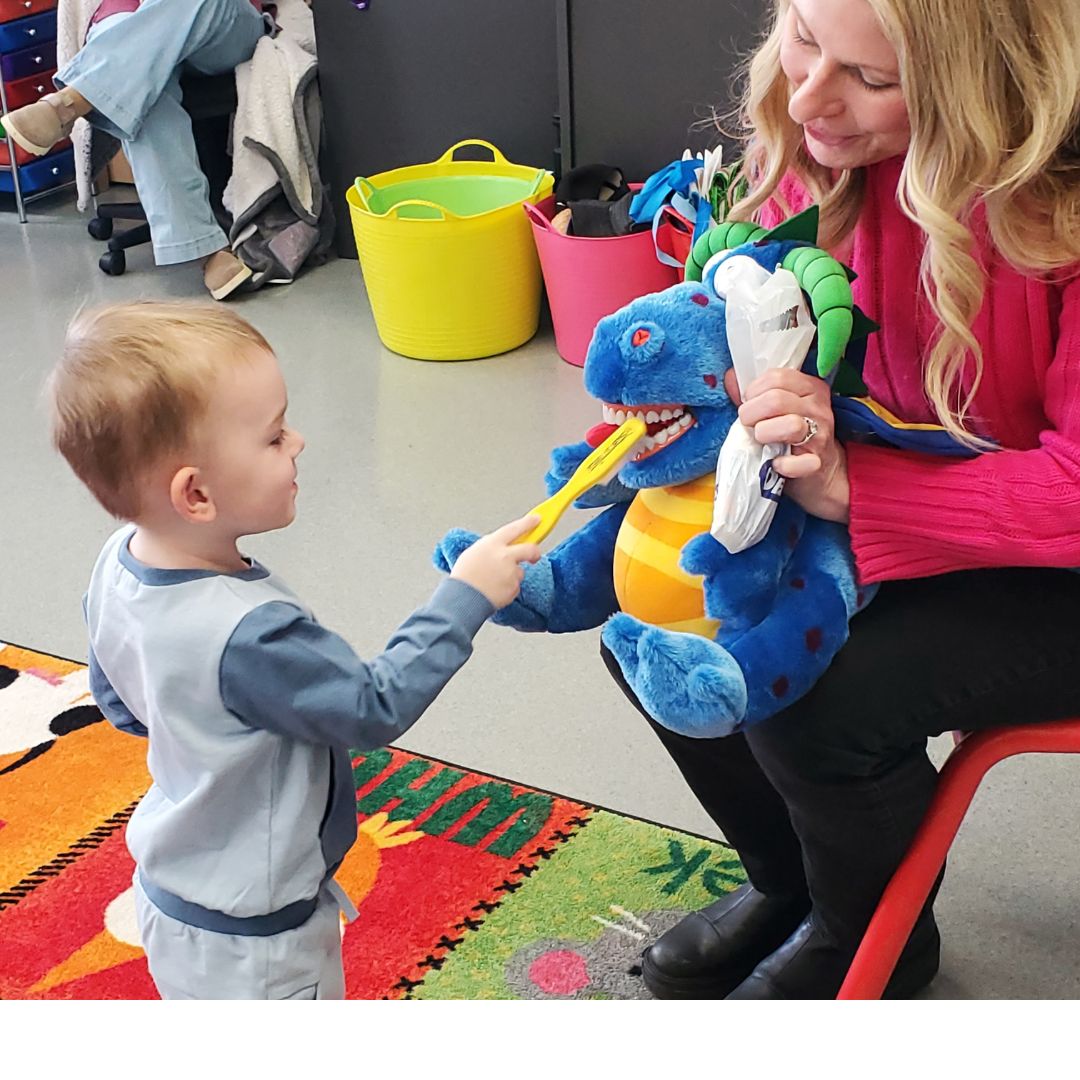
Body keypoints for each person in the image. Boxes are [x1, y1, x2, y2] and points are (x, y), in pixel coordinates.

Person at [608, 0, 1080, 999]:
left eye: (875, 78)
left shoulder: (1061, 210)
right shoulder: (817, 148)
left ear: (988, 87)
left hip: (1057, 557)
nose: (810, 95)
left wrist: (853, 489)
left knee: (818, 701)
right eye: (807, 40)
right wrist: (714, 388)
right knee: (654, 606)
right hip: (929, 492)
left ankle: (877, 940)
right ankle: (794, 884)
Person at [46, 300, 542, 999]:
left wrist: (206, 732)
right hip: (264, 947)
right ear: (196, 495)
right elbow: (375, 705)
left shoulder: (117, 561)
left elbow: (122, 704)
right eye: (275, 437)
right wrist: (467, 595)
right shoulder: (252, 633)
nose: (300, 442)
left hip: (167, 897)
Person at [2, 0, 285, 300]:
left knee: (143, 51)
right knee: (140, 80)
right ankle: (204, 247)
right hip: (126, 20)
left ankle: (72, 102)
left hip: (220, 19)